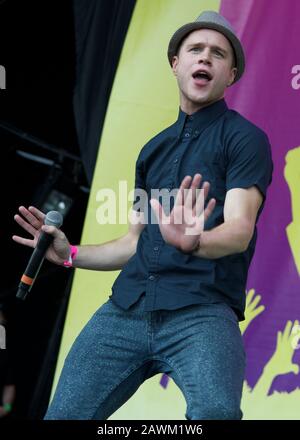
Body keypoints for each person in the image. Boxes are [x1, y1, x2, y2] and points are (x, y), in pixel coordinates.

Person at [13, 10, 273, 420]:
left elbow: (240, 230)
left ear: (231, 74)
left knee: (216, 413)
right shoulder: (152, 151)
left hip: (201, 311)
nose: (205, 58)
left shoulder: (245, 139)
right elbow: (133, 243)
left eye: (218, 54)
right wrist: (69, 254)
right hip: (127, 308)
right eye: (195, 49)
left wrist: (197, 242)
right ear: (176, 64)